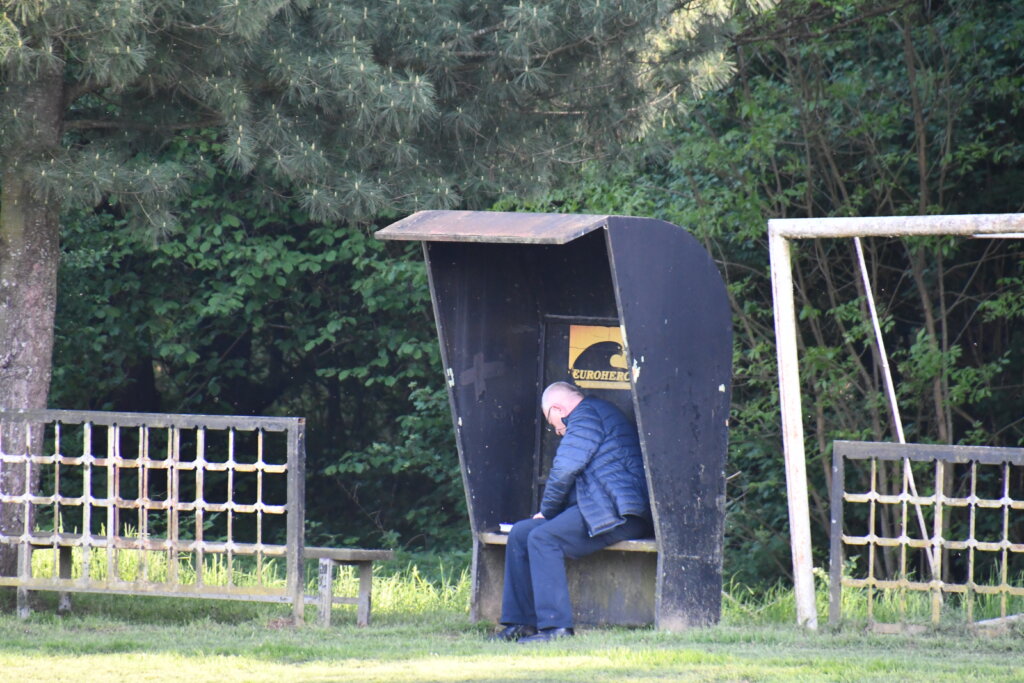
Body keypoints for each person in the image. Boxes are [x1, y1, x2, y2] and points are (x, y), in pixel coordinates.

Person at [490, 381, 653, 643]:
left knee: (544, 538)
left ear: (557, 409)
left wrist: (547, 512)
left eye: (551, 421)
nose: (556, 430)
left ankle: (556, 629)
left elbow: (565, 469)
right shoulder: (593, 415)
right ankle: (521, 623)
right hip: (599, 508)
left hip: (620, 513)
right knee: (521, 533)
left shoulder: (586, 416)